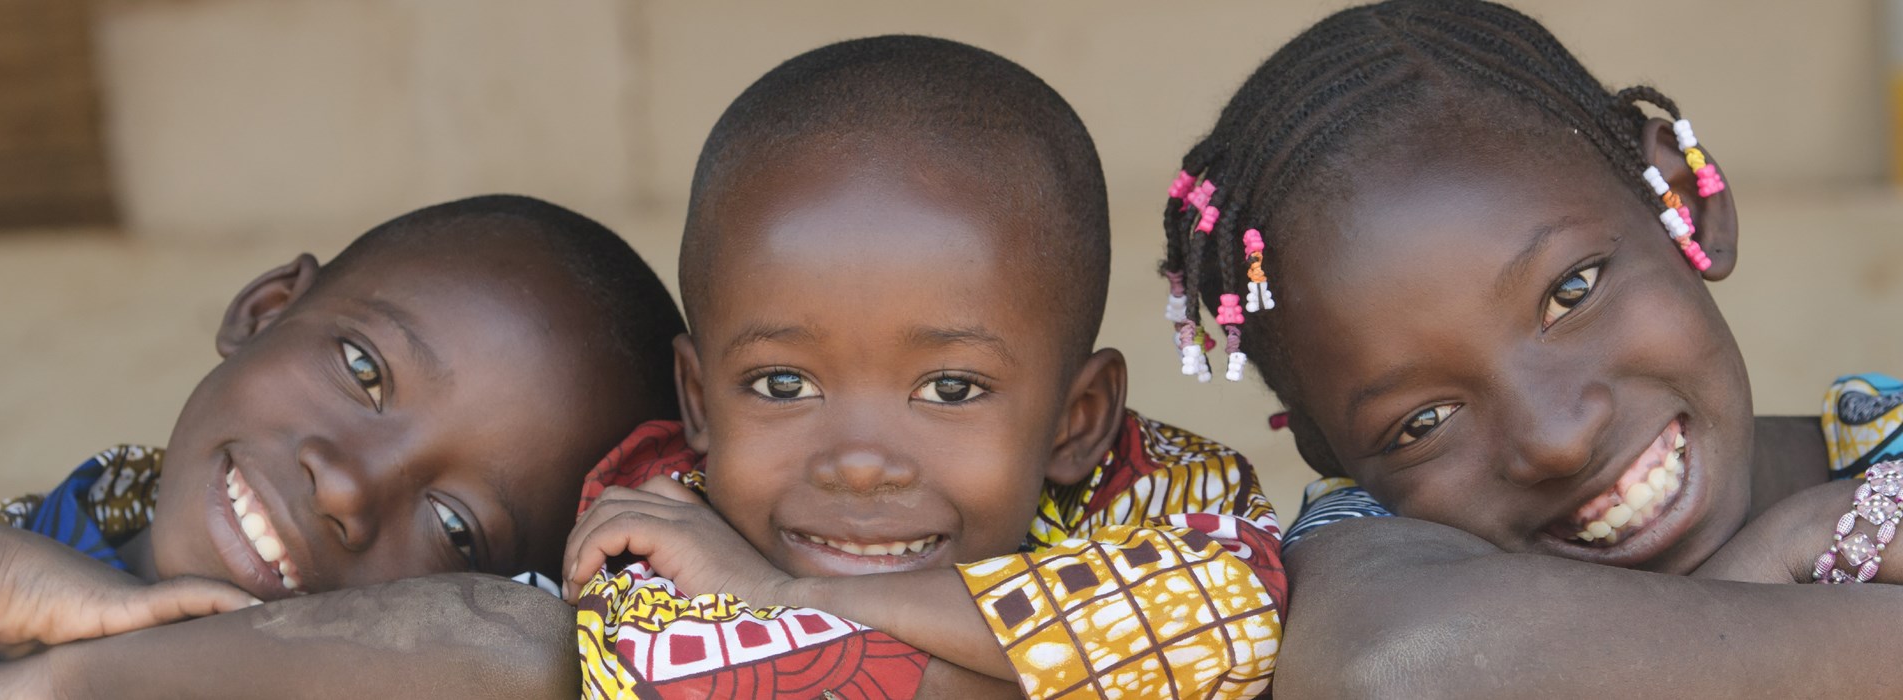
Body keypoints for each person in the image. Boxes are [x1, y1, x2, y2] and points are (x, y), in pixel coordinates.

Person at [1151, 0, 1903, 696]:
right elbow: (1388, 669)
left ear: (1683, 201)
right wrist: (1790, 552)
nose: (1557, 441)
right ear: (1330, 453)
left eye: (1571, 292)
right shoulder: (1369, 559)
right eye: (1424, 422)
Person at [562, 35, 1287, 700]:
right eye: (783, 384)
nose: (860, 465)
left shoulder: (1164, 487)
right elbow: (677, 676)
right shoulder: (659, 524)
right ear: (698, 400)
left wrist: (777, 593)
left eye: (950, 388)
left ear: (1079, 420)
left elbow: (1241, 616)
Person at [0, 194, 686, 697]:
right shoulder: (9, 553)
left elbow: (530, 653)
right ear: (265, 310)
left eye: (453, 526)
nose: (347, 488)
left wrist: (63, 683)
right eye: (362, 371)